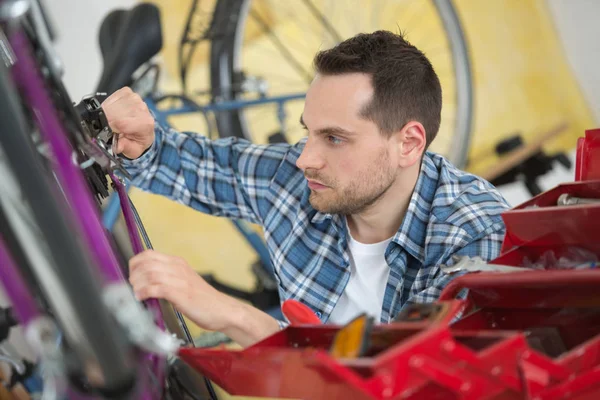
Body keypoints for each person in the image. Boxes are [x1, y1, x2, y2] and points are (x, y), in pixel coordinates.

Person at [102, 30, 509, 348]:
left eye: (334, 138)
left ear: (409, 143)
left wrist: (233, 316)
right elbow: (198, 166)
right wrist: (143, 142)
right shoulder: (297, 180)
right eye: (308, 132)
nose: (304, 158)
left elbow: (401, 382)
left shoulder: (472, 235)